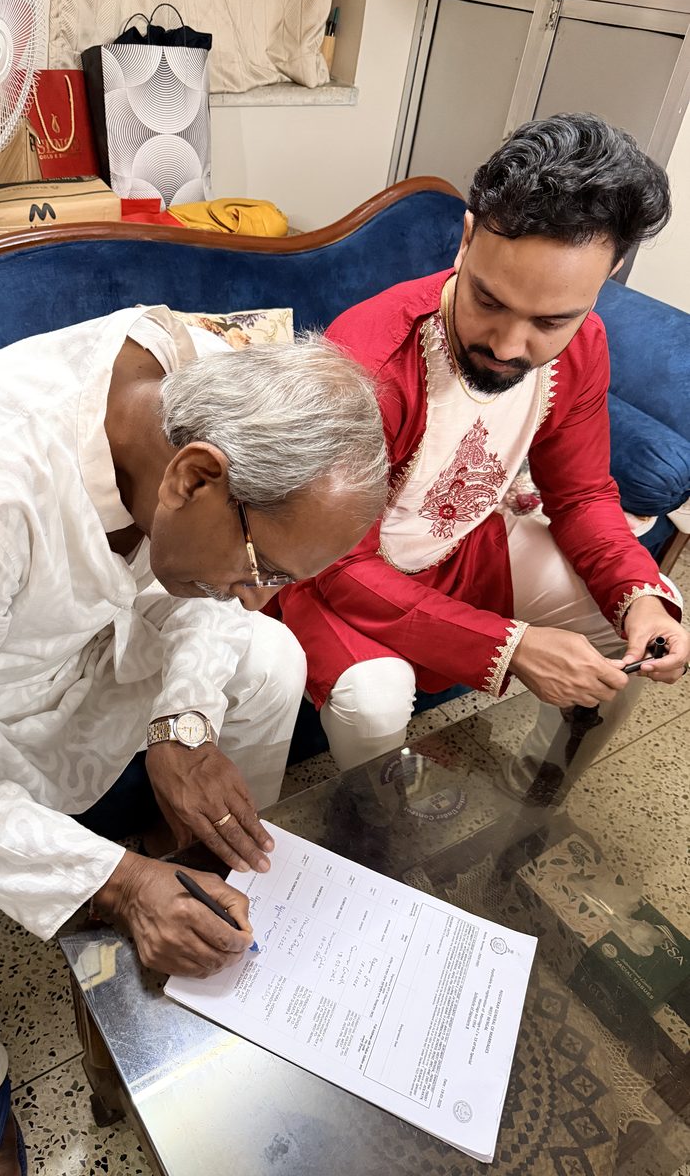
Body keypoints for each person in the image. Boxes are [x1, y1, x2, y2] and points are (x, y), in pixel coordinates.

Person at [0, 306, 388, 1176]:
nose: (255, 592)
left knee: (271, 656)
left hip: (75, 645)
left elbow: (209, 605)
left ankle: (192, 877)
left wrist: (182, 726)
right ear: (193, 480)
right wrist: (119, 887)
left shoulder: (217, 371)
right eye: (262, 568)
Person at [278, 113, 688, 779]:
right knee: (372, 702)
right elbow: (333, 563)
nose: (506, 345)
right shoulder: (370, 363)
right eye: (489, 302)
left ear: (608, 278)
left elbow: (581, 494)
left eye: (550, 320)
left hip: (464, 542)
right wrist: (510, 646)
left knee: (646, 609)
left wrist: (638, 593)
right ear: (467, 239)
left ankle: (540, 801)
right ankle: (376, 846)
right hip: (334, 572)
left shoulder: (584, 347)